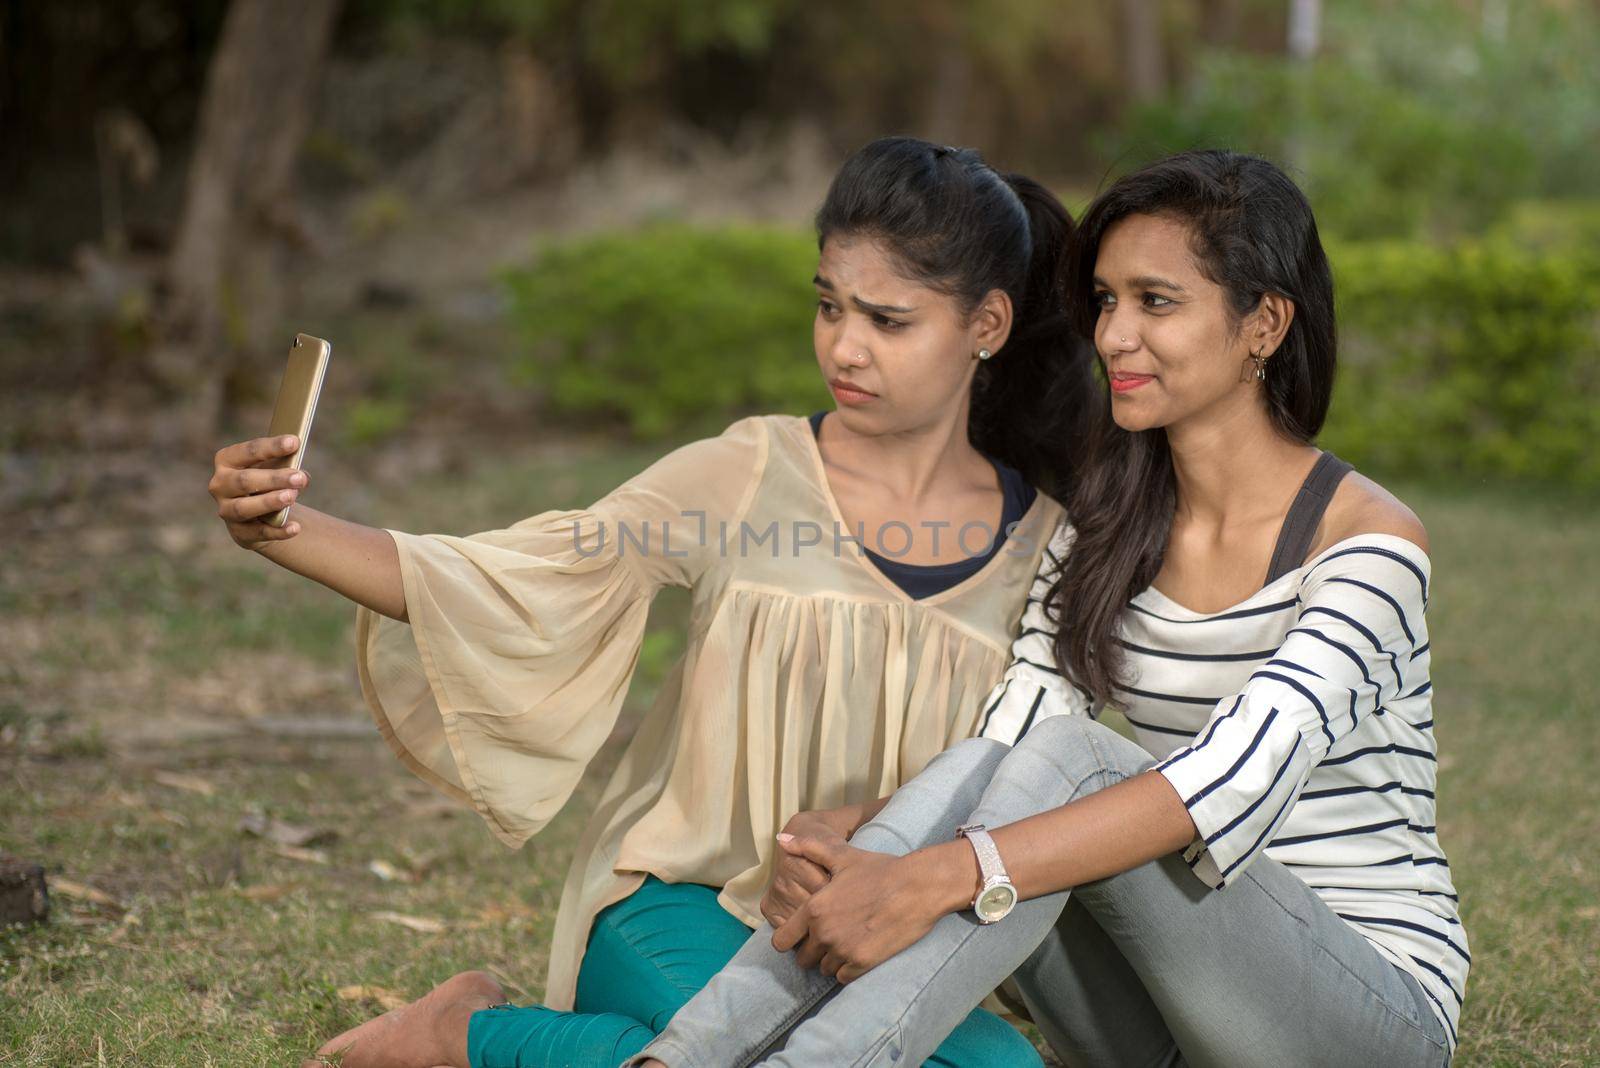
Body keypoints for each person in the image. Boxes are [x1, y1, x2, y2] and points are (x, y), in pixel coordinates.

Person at [207, 136, 1099, 1068]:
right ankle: (471, 1040)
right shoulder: (748, 474)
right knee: (774, 1046)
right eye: (829, 306)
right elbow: (514, 578)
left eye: (888, 320)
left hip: (882, 933)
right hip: (683, 903)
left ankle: (514, 1040)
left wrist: (870, 844)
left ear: (986, 324)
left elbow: (1033, 786)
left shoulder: (1050, 551)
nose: (845, 345)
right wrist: (284, 532)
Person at [633, 149, 1466, 1068]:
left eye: (1156, 302)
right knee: (1003, 764)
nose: (1112, 336)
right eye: (1106, 301)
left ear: (1264, 323)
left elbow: (1229, 781)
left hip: (1363, 1017)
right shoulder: (1108, 530)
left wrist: (932, 876)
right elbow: (1001, 750)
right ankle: (676, 1061)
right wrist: (865, 833)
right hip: (1170, 1020)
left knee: (1065, 764)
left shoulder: (1371, 547)